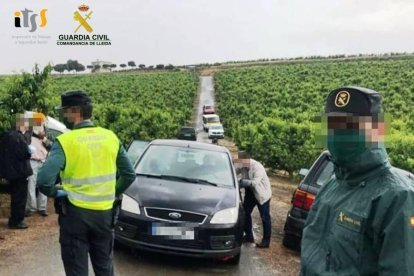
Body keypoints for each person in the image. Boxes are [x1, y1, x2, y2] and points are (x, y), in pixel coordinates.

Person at [300, 87, 414, 275]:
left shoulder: (398, 198)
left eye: (350, 126)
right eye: (332, 125)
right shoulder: (332, 185)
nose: (338, 133)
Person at [37, 91, 136, 276]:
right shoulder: (110, 137)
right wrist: (111, 192)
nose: (63, 116)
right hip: (105, 215)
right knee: (104, 267)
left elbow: (44, 181)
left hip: (75, 216)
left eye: (64, 112)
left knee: (76, 269)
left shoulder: (66, 141)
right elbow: (129, 174)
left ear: (75, 112)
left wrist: (57, 193)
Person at [1, 114, 33, 229]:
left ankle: (14, 218)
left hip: (9, 171)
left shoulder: (5, 136)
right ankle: (17, 220)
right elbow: (24, 154)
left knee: (15, 196)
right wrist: (29, 152)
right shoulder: (19, 137)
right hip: (20, 171)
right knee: (20, 197)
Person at [238, 151, 272, 248]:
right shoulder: (241, 164)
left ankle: (266, 241)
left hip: (262, 194)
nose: (241, 165)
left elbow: (254, 182)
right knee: (245, 213)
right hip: (251, 193)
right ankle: (249, 236)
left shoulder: (257, 167)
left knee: (265, 217)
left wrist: (240, 182)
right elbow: (234, 171)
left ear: (247, 160)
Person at [25, 112, 49, 217]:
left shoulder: (46, 133)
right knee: (31, 184)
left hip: (43, 160)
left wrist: (44, 138)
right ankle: (31, 208)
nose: (41, 123)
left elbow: (51, 145)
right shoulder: (29, 132)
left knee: (43, 184)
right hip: (32, 160)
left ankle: (42, 208)